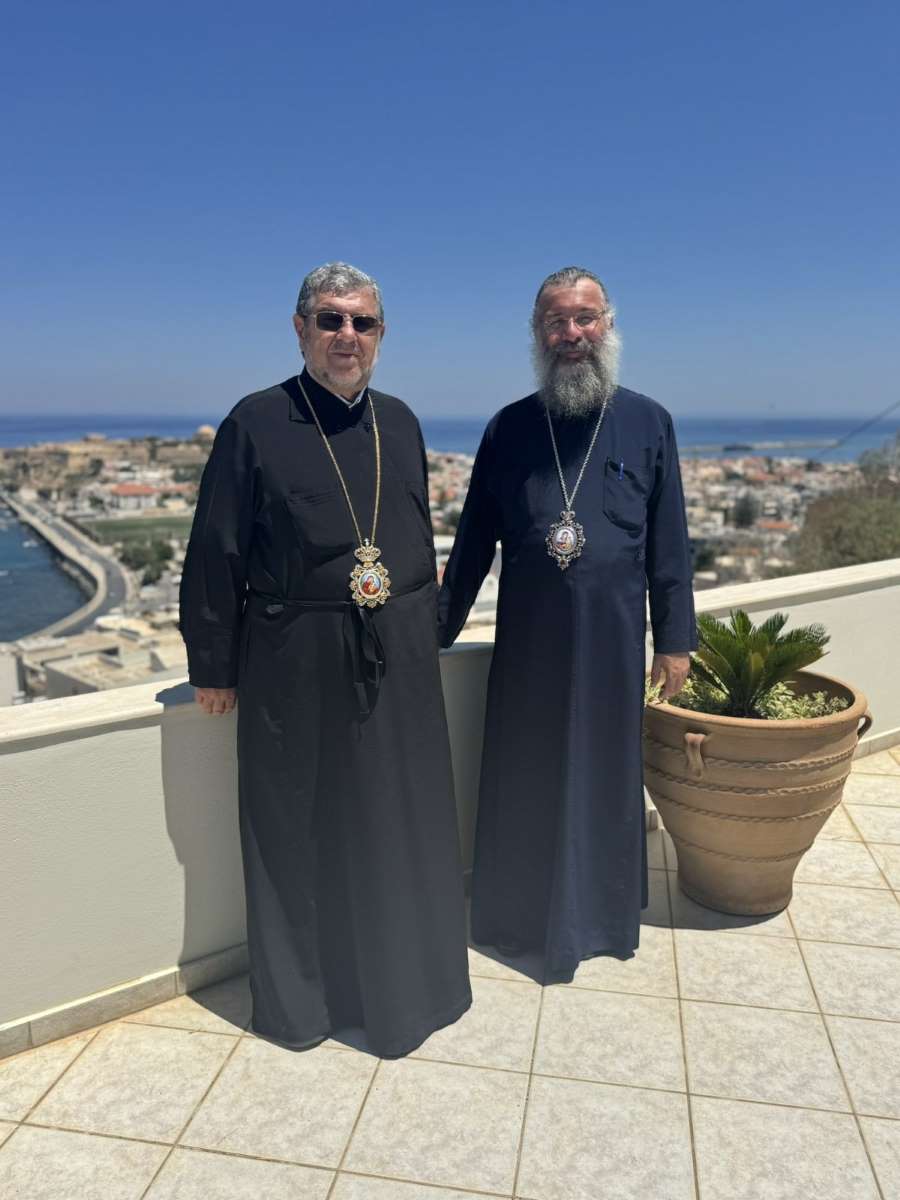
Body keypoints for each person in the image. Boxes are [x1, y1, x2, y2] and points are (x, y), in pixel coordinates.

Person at [179, 261, 471, 1056]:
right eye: (331, 319)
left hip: (397, 659)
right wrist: (213, 664)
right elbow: (215, 551)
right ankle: (306, 1006)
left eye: (362, 322)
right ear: (301, 328)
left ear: (381, 335)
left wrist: (426, 627)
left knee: (397, 823)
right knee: (301, 826)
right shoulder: (254, 422)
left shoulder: (402, 423)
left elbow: (415, 539)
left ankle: (410, 990)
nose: (347, 336)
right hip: (294, 659)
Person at [437, 266, 696, 981]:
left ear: (608, 325)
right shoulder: (509, 428)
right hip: (529, 649)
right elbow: (473, 541)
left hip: (616, 646)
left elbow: (670, 543)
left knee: (604, 781)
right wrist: (434, 630)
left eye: (585, 318)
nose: (572, 333)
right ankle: (517, 917)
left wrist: (676, 641)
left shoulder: (649, 422)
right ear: (537, 333)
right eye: (556, 321)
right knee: (526, 779)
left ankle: (601, 920)